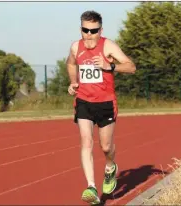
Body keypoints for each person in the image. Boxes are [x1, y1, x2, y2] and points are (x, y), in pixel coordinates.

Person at [66, 10, 136, 205]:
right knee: (86, 141)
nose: (89, 35)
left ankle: (110, 166)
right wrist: (73, 82)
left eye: (93, 31)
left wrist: (109, 66)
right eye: (85, 30)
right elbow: (71, 64)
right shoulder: (75, 47)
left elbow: (131, 67)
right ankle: (91, 187)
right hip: (84, 101)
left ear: (100, 30)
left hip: (105, 102)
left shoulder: (108, 46)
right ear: (80, 29)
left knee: (105, 146)